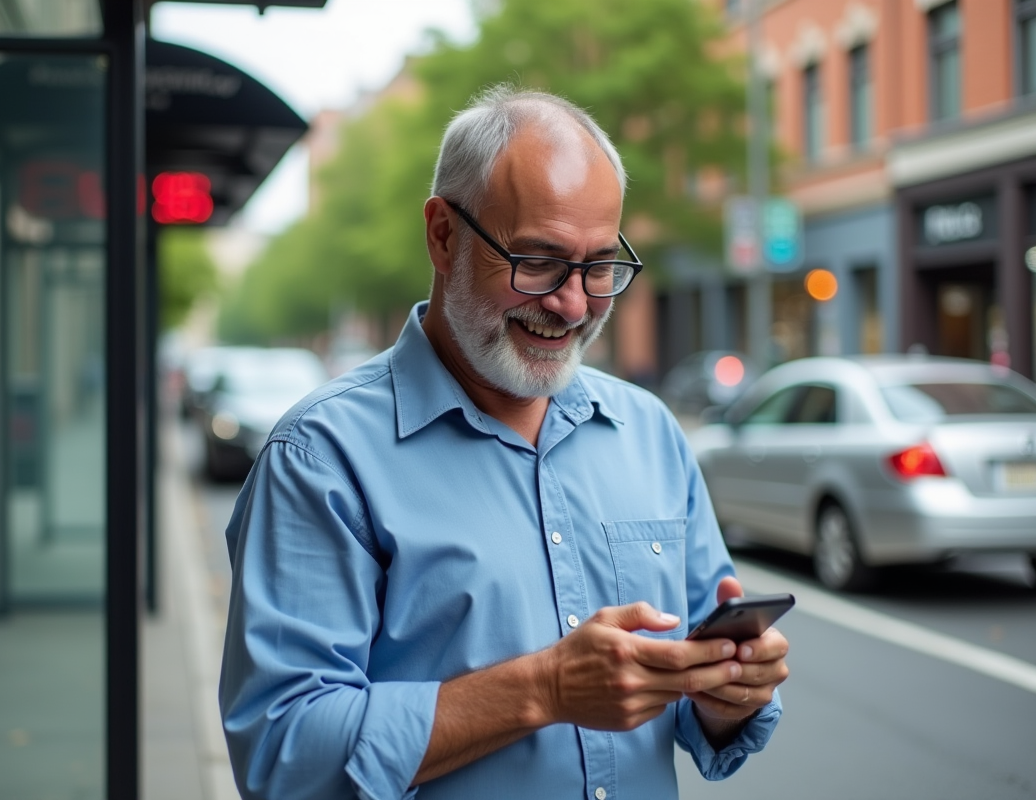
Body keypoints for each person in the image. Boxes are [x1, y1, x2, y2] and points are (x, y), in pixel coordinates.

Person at [219, 86, 789, 800]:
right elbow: (283, 756)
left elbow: (698, 706)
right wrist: (544, 689)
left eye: (599, 266)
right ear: (443, 236)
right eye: (538, 261)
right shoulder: (320, 458)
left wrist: (730, 690)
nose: (572, 304)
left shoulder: (651, 432)